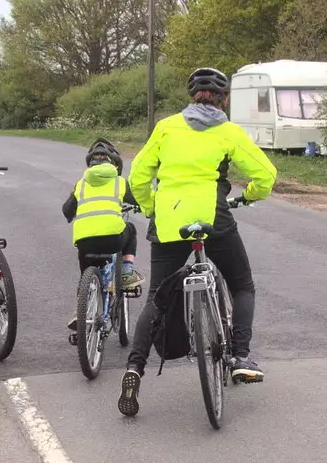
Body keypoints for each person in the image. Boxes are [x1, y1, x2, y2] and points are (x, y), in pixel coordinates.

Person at [118, 68, 277, 417]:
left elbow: (139, 175)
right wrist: (249, 196)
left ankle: (134, 368)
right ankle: (239, 356)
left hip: (169, 221)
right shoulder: (228, 131)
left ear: (192, 97)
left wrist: (151, 208)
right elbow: (266, 175)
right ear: (224, 100)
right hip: (213, 219)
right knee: (242, 285)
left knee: (157, 297)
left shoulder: (167, 127)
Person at [62, 138, 144, 327]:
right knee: (130, 230)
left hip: (84, 241)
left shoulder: (80, 184)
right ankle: (126, 272)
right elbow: (137, 201)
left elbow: (67, 210)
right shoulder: (120, 182)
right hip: (113, 239)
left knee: (85, 276)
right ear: (115, 163)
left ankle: (80, 310)